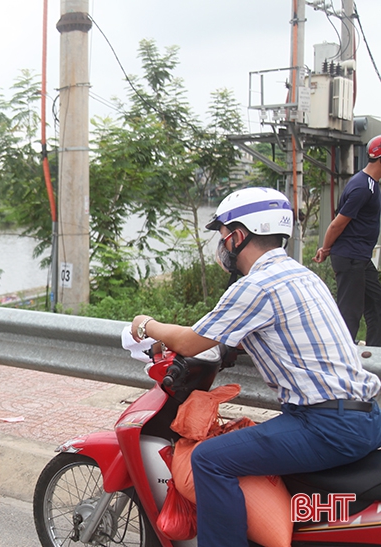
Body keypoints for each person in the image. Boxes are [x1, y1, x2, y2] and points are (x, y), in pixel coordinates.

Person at [130, 187, 381, 547]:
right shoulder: (303, 275)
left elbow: (188, 341)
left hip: (325, 425)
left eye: (222, 235)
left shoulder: (256, 286)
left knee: (209, 459)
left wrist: (146, 325)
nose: (222, 245)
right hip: (365, 417)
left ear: (238, 236)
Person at [313, 135, 381, 346]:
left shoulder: (371, 184)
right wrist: (325, 248)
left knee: (377, 305)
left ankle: (374, 358)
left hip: (359, 257)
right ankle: (339, 360)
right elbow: (337, 224)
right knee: (350, 314)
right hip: (350, 257)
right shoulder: (362, 188)